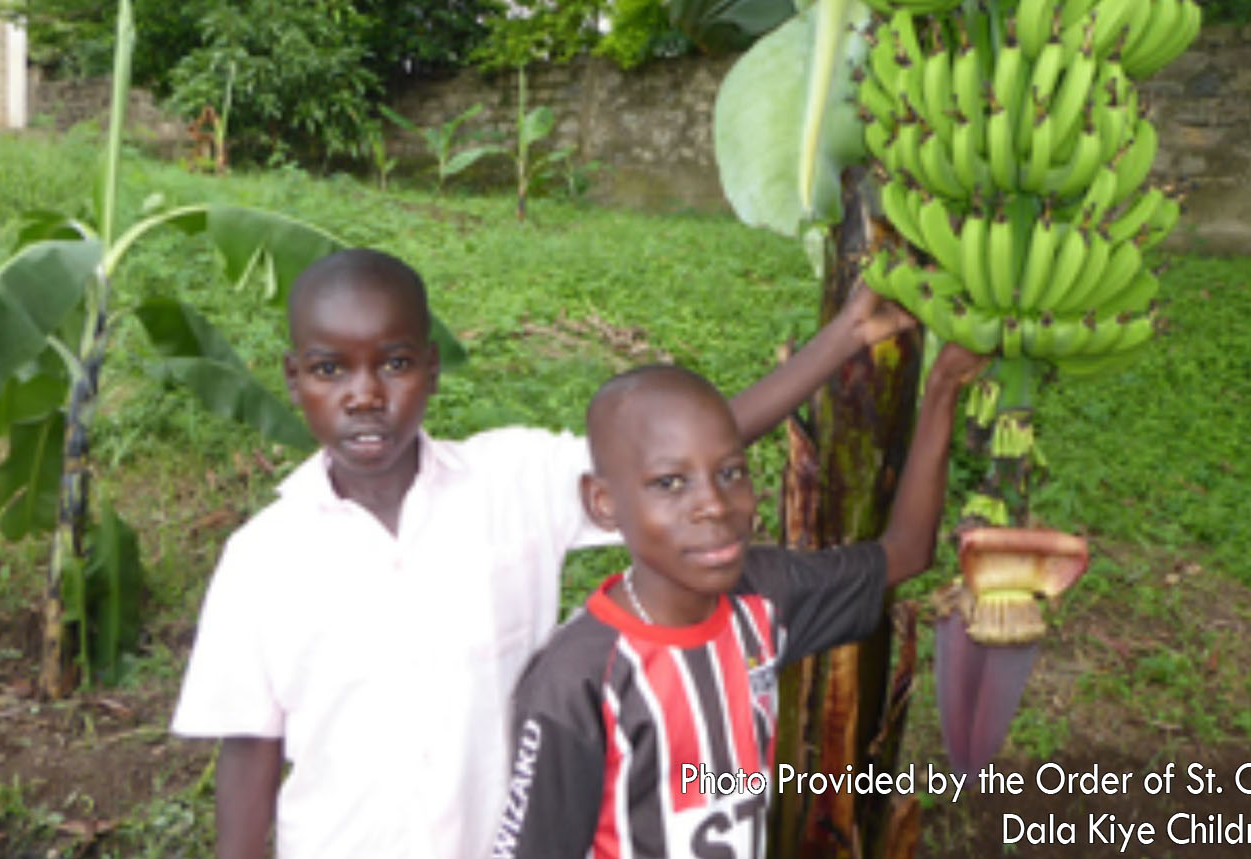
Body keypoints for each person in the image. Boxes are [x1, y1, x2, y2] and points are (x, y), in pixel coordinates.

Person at [169, 247, 915, 859]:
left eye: (393, 364)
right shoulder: (261, 558)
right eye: (332, 369)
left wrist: (844, 337)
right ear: (294, 379)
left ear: (431, 366)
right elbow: (250, 752)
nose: (365, 395)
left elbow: (682, 447)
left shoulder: (510, 479)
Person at [490, 343, 985, 858]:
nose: (714, 506)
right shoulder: (579, 680)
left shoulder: (764, 598)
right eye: (670, 483)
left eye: (730, 473)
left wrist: (943, 388)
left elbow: (904, 554)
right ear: (604, 504)